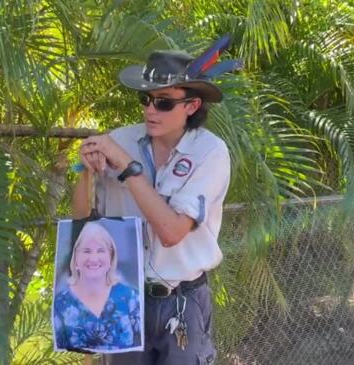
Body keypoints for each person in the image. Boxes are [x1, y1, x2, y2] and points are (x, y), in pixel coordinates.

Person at [73, 39, 235, 365]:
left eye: (163, 102)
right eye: (145, 99)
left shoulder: (209, 153)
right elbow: (82, 223)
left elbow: (172, 232)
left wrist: (128, 167)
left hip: (181, 300)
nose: (149, 109)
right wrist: (85, 172)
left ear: (191, 106)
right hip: (122, 296)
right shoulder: (119, 140)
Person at [53, 221, 142, 351]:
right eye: (87, 251)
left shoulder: (130, 297)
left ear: (111, 257)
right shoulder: (61, 302)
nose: (93, 258)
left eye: (101, 250)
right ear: (76, 257)